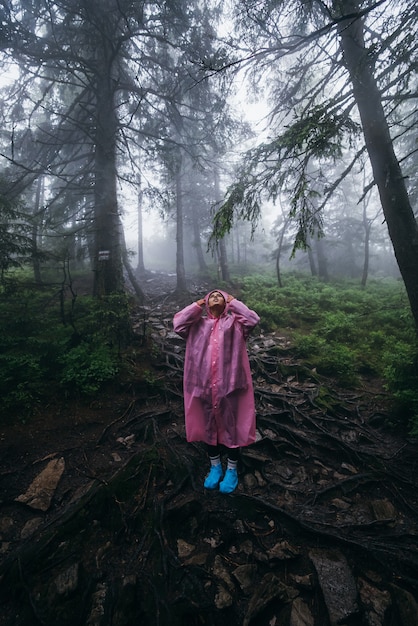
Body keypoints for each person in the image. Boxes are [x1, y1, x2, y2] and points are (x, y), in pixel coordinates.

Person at [173, 289, 260, 494]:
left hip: (230, 385)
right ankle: (214, 467)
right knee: (207, 427)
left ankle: (231, 469)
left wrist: (234, 301)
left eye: (219, 295)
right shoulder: (197, 325)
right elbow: (178, 324)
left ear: (226, 302)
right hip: (202, 384)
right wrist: (197, 305)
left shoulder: (235, 325)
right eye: (211, 295)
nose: (215, 297)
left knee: (232, 427)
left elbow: (252, 319)